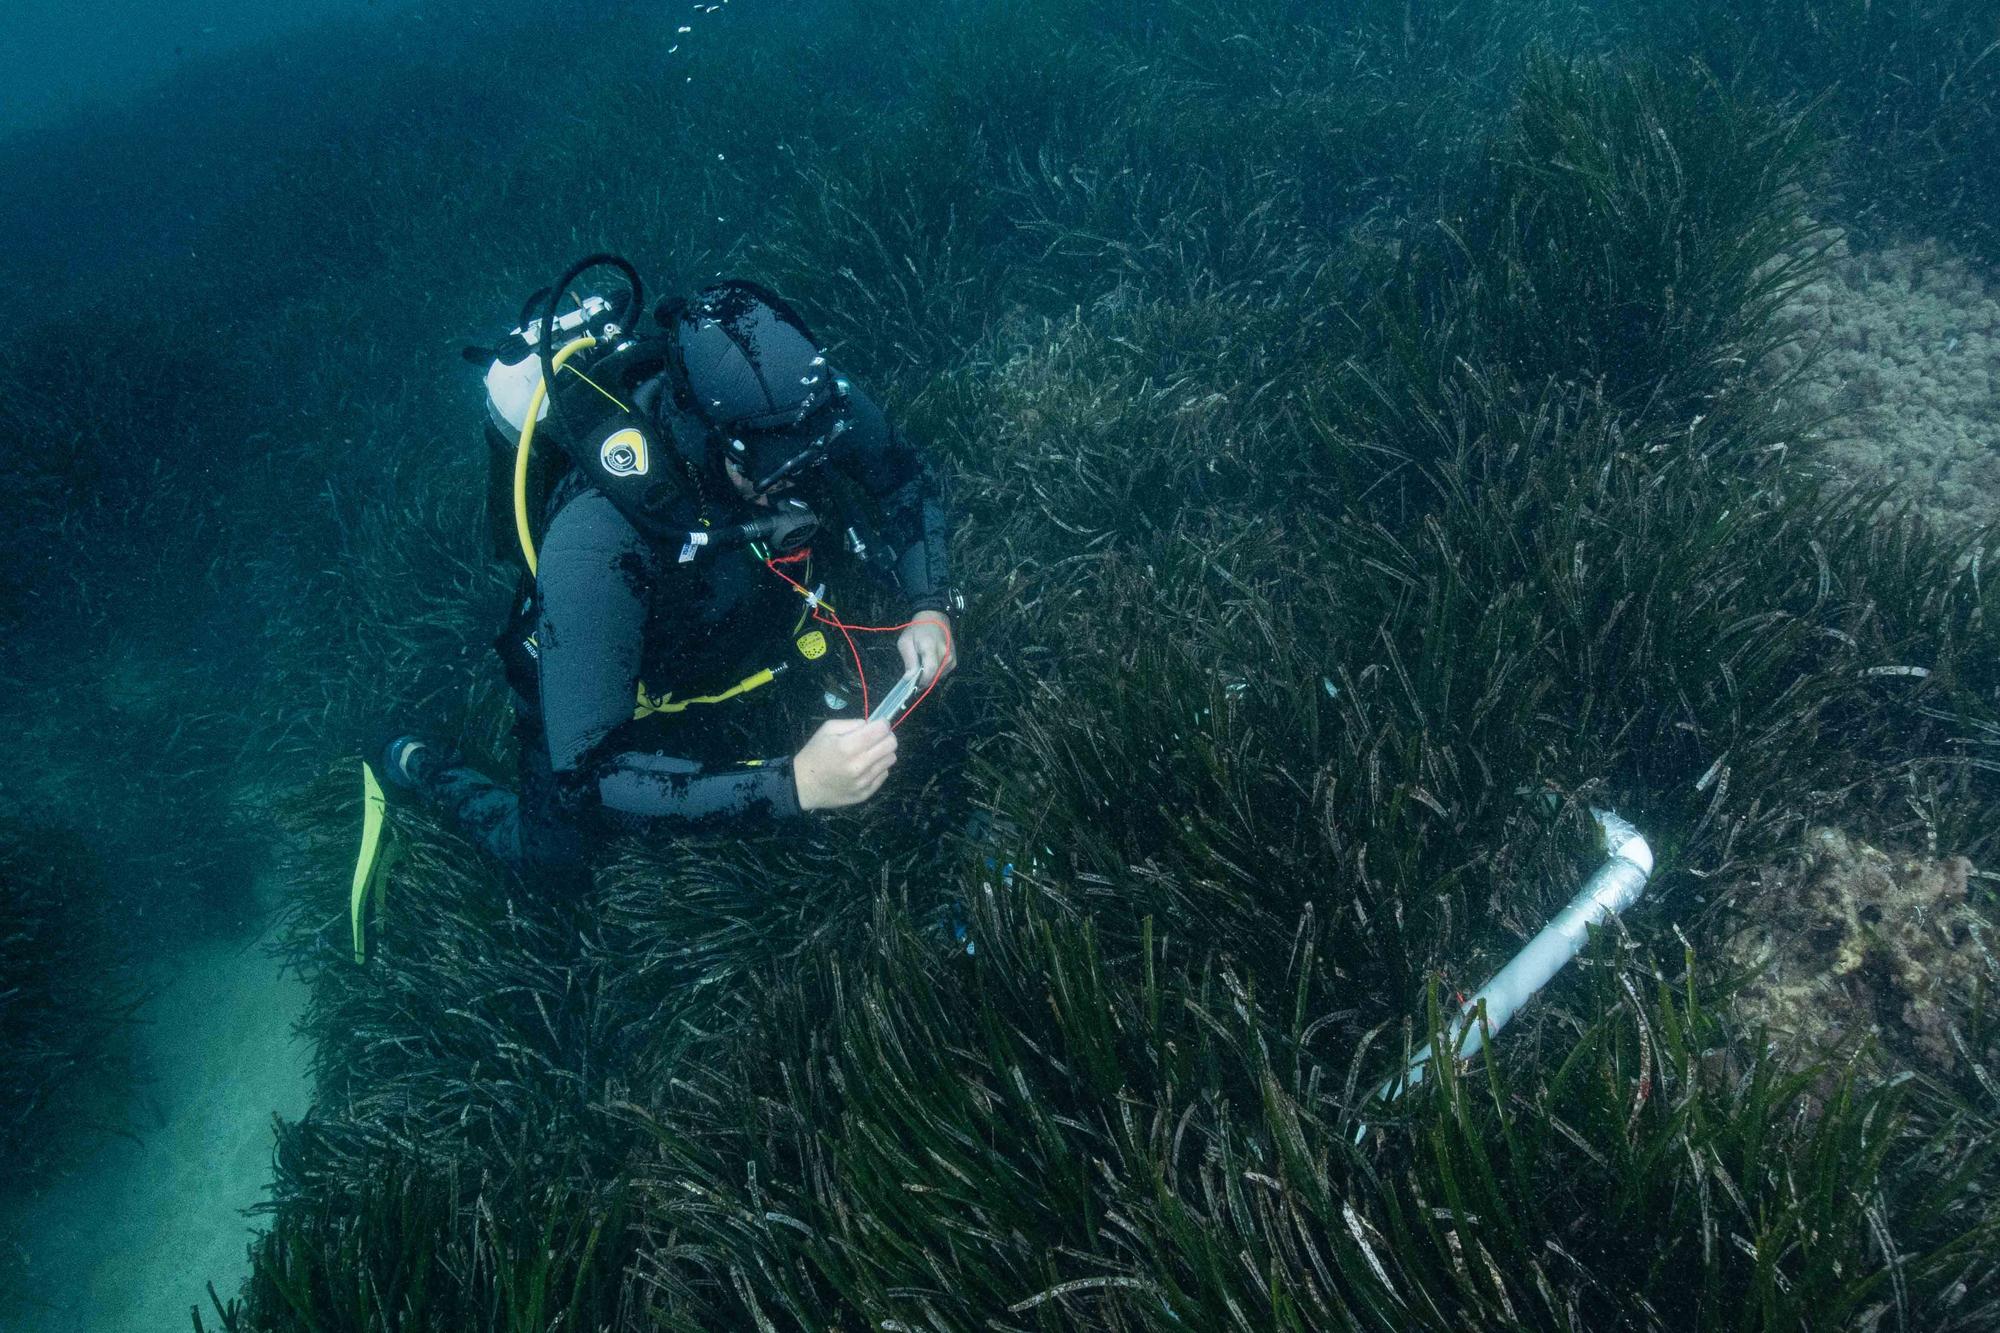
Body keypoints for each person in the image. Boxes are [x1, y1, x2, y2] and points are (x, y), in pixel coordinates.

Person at [379, 275, 958, 892]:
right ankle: (416, 764)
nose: (795, 484)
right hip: (626, 662)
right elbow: (589, 778)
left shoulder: (805, 400)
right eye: (767, 471)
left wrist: (930, 606)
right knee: (554, 864)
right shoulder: (597, 536)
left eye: (811, 458)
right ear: (708, 443)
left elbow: (905, 481)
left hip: (738, 611)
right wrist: (796, 786)